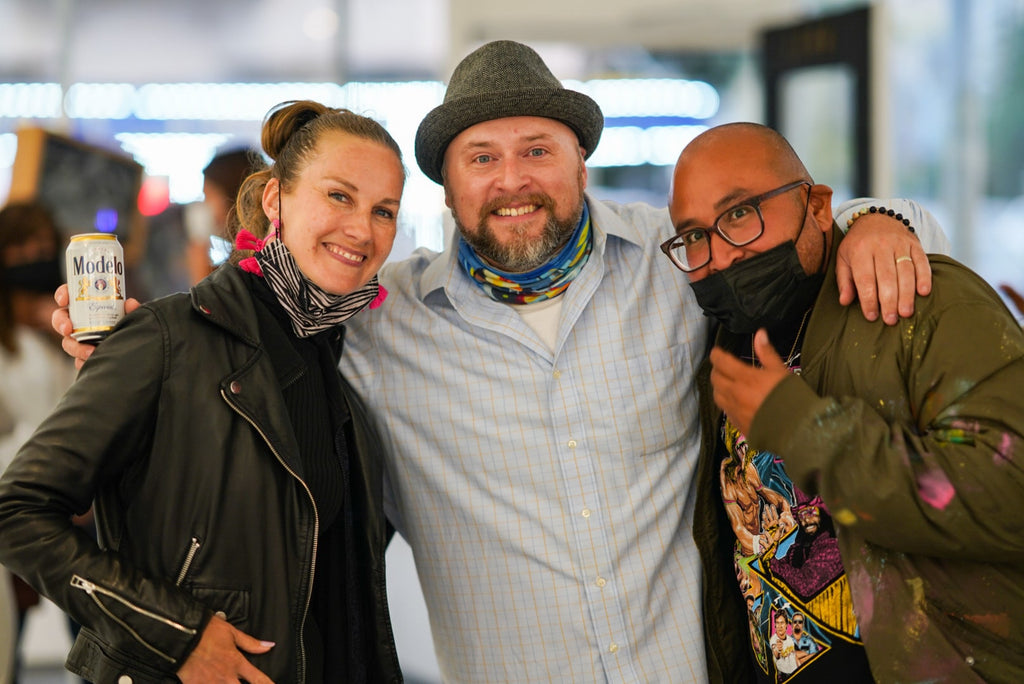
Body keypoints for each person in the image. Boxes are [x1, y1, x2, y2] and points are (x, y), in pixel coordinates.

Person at [52, 41, 949, 682]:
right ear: (447, 188)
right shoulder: (378, 325)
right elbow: (243, 350)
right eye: (481, 157)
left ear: (581, 165)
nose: (511, 179)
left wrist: (881, 226)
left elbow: (792, 225)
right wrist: (142, 345)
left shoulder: (675, 265)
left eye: (537, 151)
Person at [0, 100, 406, 683]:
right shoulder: (167, 339)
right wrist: (176, 636)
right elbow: (16, 510)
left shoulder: (343, 359)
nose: (362, 229)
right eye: (339, 195)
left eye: (384, 210)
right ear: (275, 201)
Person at [666, 122, 1024, 682]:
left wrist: (805, 430)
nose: (721, 256)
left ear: (816, 206)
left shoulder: (922, 300)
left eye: (739, 213)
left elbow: (1009, 494)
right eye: (693, 236)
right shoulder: (724, 338)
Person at [0, 201, 77, 683]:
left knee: (92, 640)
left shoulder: (66, 328)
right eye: (23, 248)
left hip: (75, 513)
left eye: (45, 248)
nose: (35, 257)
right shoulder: (7, 342)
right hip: (14, 504)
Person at [184, 147, 259, 285]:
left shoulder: (254, 260)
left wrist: (199, 272)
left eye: (208, 196)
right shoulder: (236, 256)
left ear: (233, 197)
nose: (204, 206)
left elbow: (212, 305)